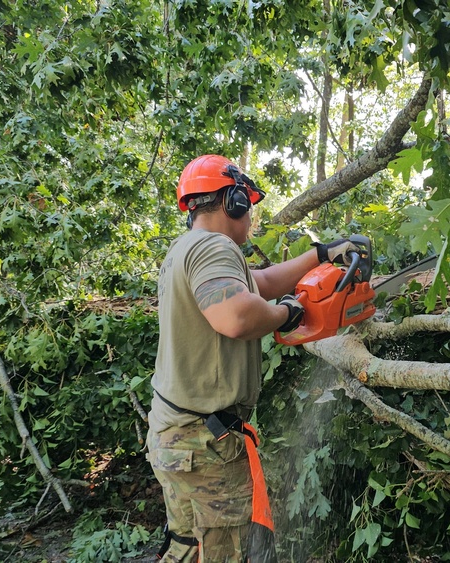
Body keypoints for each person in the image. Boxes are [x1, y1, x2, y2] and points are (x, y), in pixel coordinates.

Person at [146, 154, 361, 562]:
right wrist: (287, 313)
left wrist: (320, 254)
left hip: (179, 437)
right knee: (225, 552)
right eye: (247, 204)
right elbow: (237, 315)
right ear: (234, 201)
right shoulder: (213, 247)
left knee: (191, 546)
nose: (250, 217)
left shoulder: (187, 249)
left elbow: (258, 282)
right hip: (204, 444)